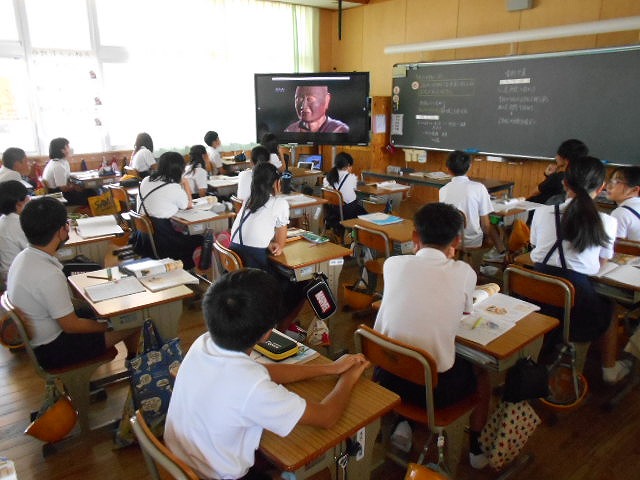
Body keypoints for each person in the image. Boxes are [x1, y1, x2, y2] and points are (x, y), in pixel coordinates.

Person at [164, 268, 369, 480]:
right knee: (318, 470)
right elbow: (326, 417)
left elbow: (260, 372)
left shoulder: (204, 343)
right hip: (216, 475)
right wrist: (348, 378)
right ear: (268, 333)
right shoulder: (251, 385)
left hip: (182, 463)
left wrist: (330, 368)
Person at [373, 202, 491, 468]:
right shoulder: (464, 272)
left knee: (411, 347)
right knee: (481, 371)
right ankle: (475, 446)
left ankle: (403, 423)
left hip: (385, 377)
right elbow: (463, 312)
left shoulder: (392, 264)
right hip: (433, 391)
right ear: (457, 241)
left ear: (415, 237)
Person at [6, 197, 139, 369]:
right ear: (61, 231)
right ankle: (134, 362)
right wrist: (108, 325)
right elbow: (71, 325)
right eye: (67, 224)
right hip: (55, 349)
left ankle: (132, 360)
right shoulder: (47, 274)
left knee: (108, 311)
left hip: (41, 340)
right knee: (135, 320)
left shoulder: (23, 257)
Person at [530, 156, 630, 384]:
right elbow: (600, 265)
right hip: (577, 302)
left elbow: (535, 246)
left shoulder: (542, 213)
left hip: (536, 295)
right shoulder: (606, 221)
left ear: (565, 183)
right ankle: (609, 368)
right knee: (609, 305)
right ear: (602, 188)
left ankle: (548, 346)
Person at [136, 152, 201, 270]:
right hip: (164, 243)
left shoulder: (146, 180)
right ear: (179, 170)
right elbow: (188, 205)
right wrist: (185, 183)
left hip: (144, 240)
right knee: (200, 238)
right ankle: (197, 271)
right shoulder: (173, 187)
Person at [439, 150, 506, 262]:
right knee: (494, 225)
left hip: (450, 240)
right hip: (473, 241)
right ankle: (501, 254)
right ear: (469, 167)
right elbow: (485, 225)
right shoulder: (478, 188)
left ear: (448, 169)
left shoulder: (443, 190)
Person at [528, 139, 589, 205]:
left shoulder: (559, 177)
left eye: (558, 154)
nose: (555, 157)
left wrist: (550, 177)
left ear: (566, 160)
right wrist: (548, 176)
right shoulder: (582, 178)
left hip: (543, 211)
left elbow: (534, 193)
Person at [42, 137, 89, 205]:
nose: (70, 149)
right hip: (58, 196)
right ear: (62, 150)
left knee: (88, 191)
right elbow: (63, 188)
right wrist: (76, 187)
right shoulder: (58, 166)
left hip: (58, 193)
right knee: (91, 193)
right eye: (67, 146)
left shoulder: (58, 162)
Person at [0, 181, 29, 289]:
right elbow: (40, 249)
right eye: (27, 198)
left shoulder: (4, 220)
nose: (29, 199)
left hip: (9, 276)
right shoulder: (18, 224)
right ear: (18, 204)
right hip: (18, 280)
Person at [284, 85, 349, 133]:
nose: (303, 106)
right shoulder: (290, 130)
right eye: (298, 99)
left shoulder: (339, 130)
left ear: (326, 100)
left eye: (310, 99)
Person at [323, 151, 366, 220]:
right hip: (347, 213)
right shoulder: (351, 178)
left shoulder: (326, 178)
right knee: (366, 214)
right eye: (351, 166)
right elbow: (361, 188)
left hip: (332, 212)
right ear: (348, 165)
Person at [606, 166, 640, 241]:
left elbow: (617, 247)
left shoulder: (621, 212)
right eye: (611, 181)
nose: (609, 186)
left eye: (617, 182)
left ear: (635, 189)